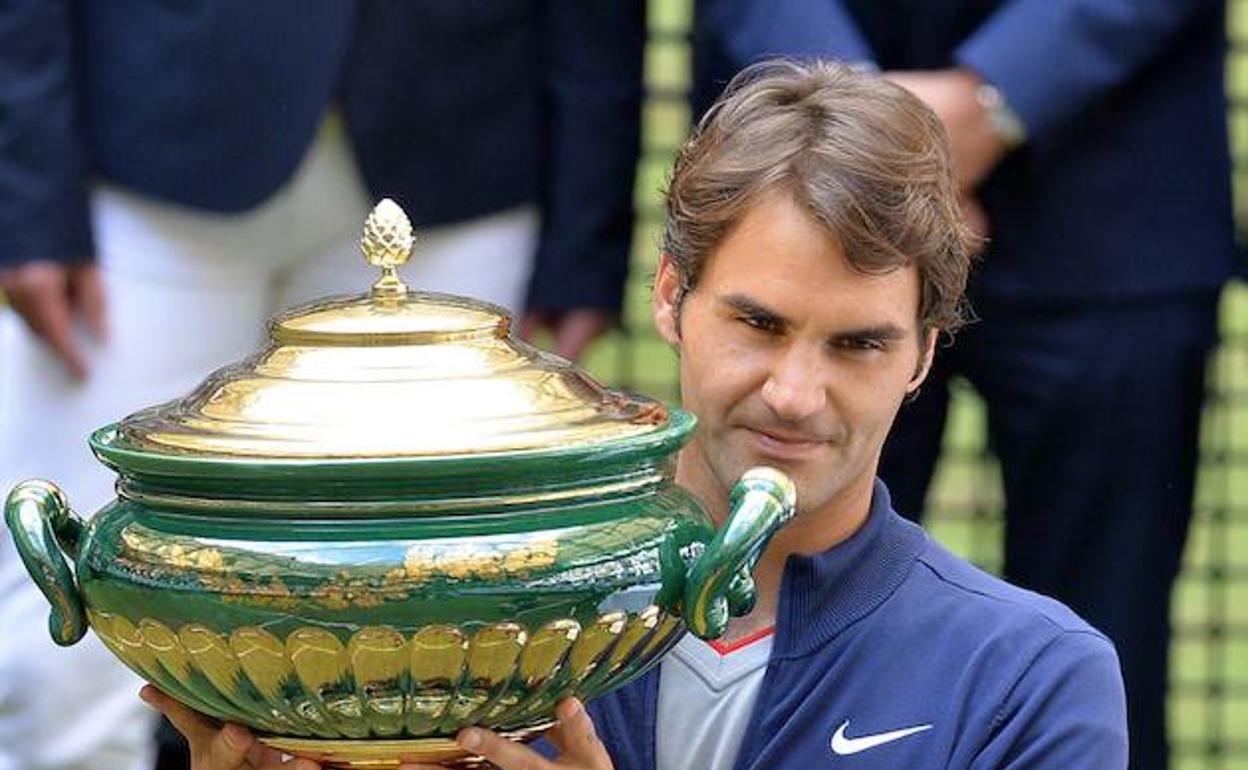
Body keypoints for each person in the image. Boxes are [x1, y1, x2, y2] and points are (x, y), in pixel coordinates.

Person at [147, 60, 1129, 770]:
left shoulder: (1032, 678)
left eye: (857, 343)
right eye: (758, 321)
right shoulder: (453, 615)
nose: (793, 390)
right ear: (670, 296)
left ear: (924, 351)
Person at [0, 3, 644, 769]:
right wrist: (28, 191)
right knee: (69, 641)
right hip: (150, 139)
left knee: (458, 648)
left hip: (464, 137)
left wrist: (586, 229)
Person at [692, 4, 1238, 768]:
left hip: (1114, 192)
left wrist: (997, 95)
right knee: (785, 598)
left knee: (1108, 646)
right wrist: (859, 150)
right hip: (793, 193)